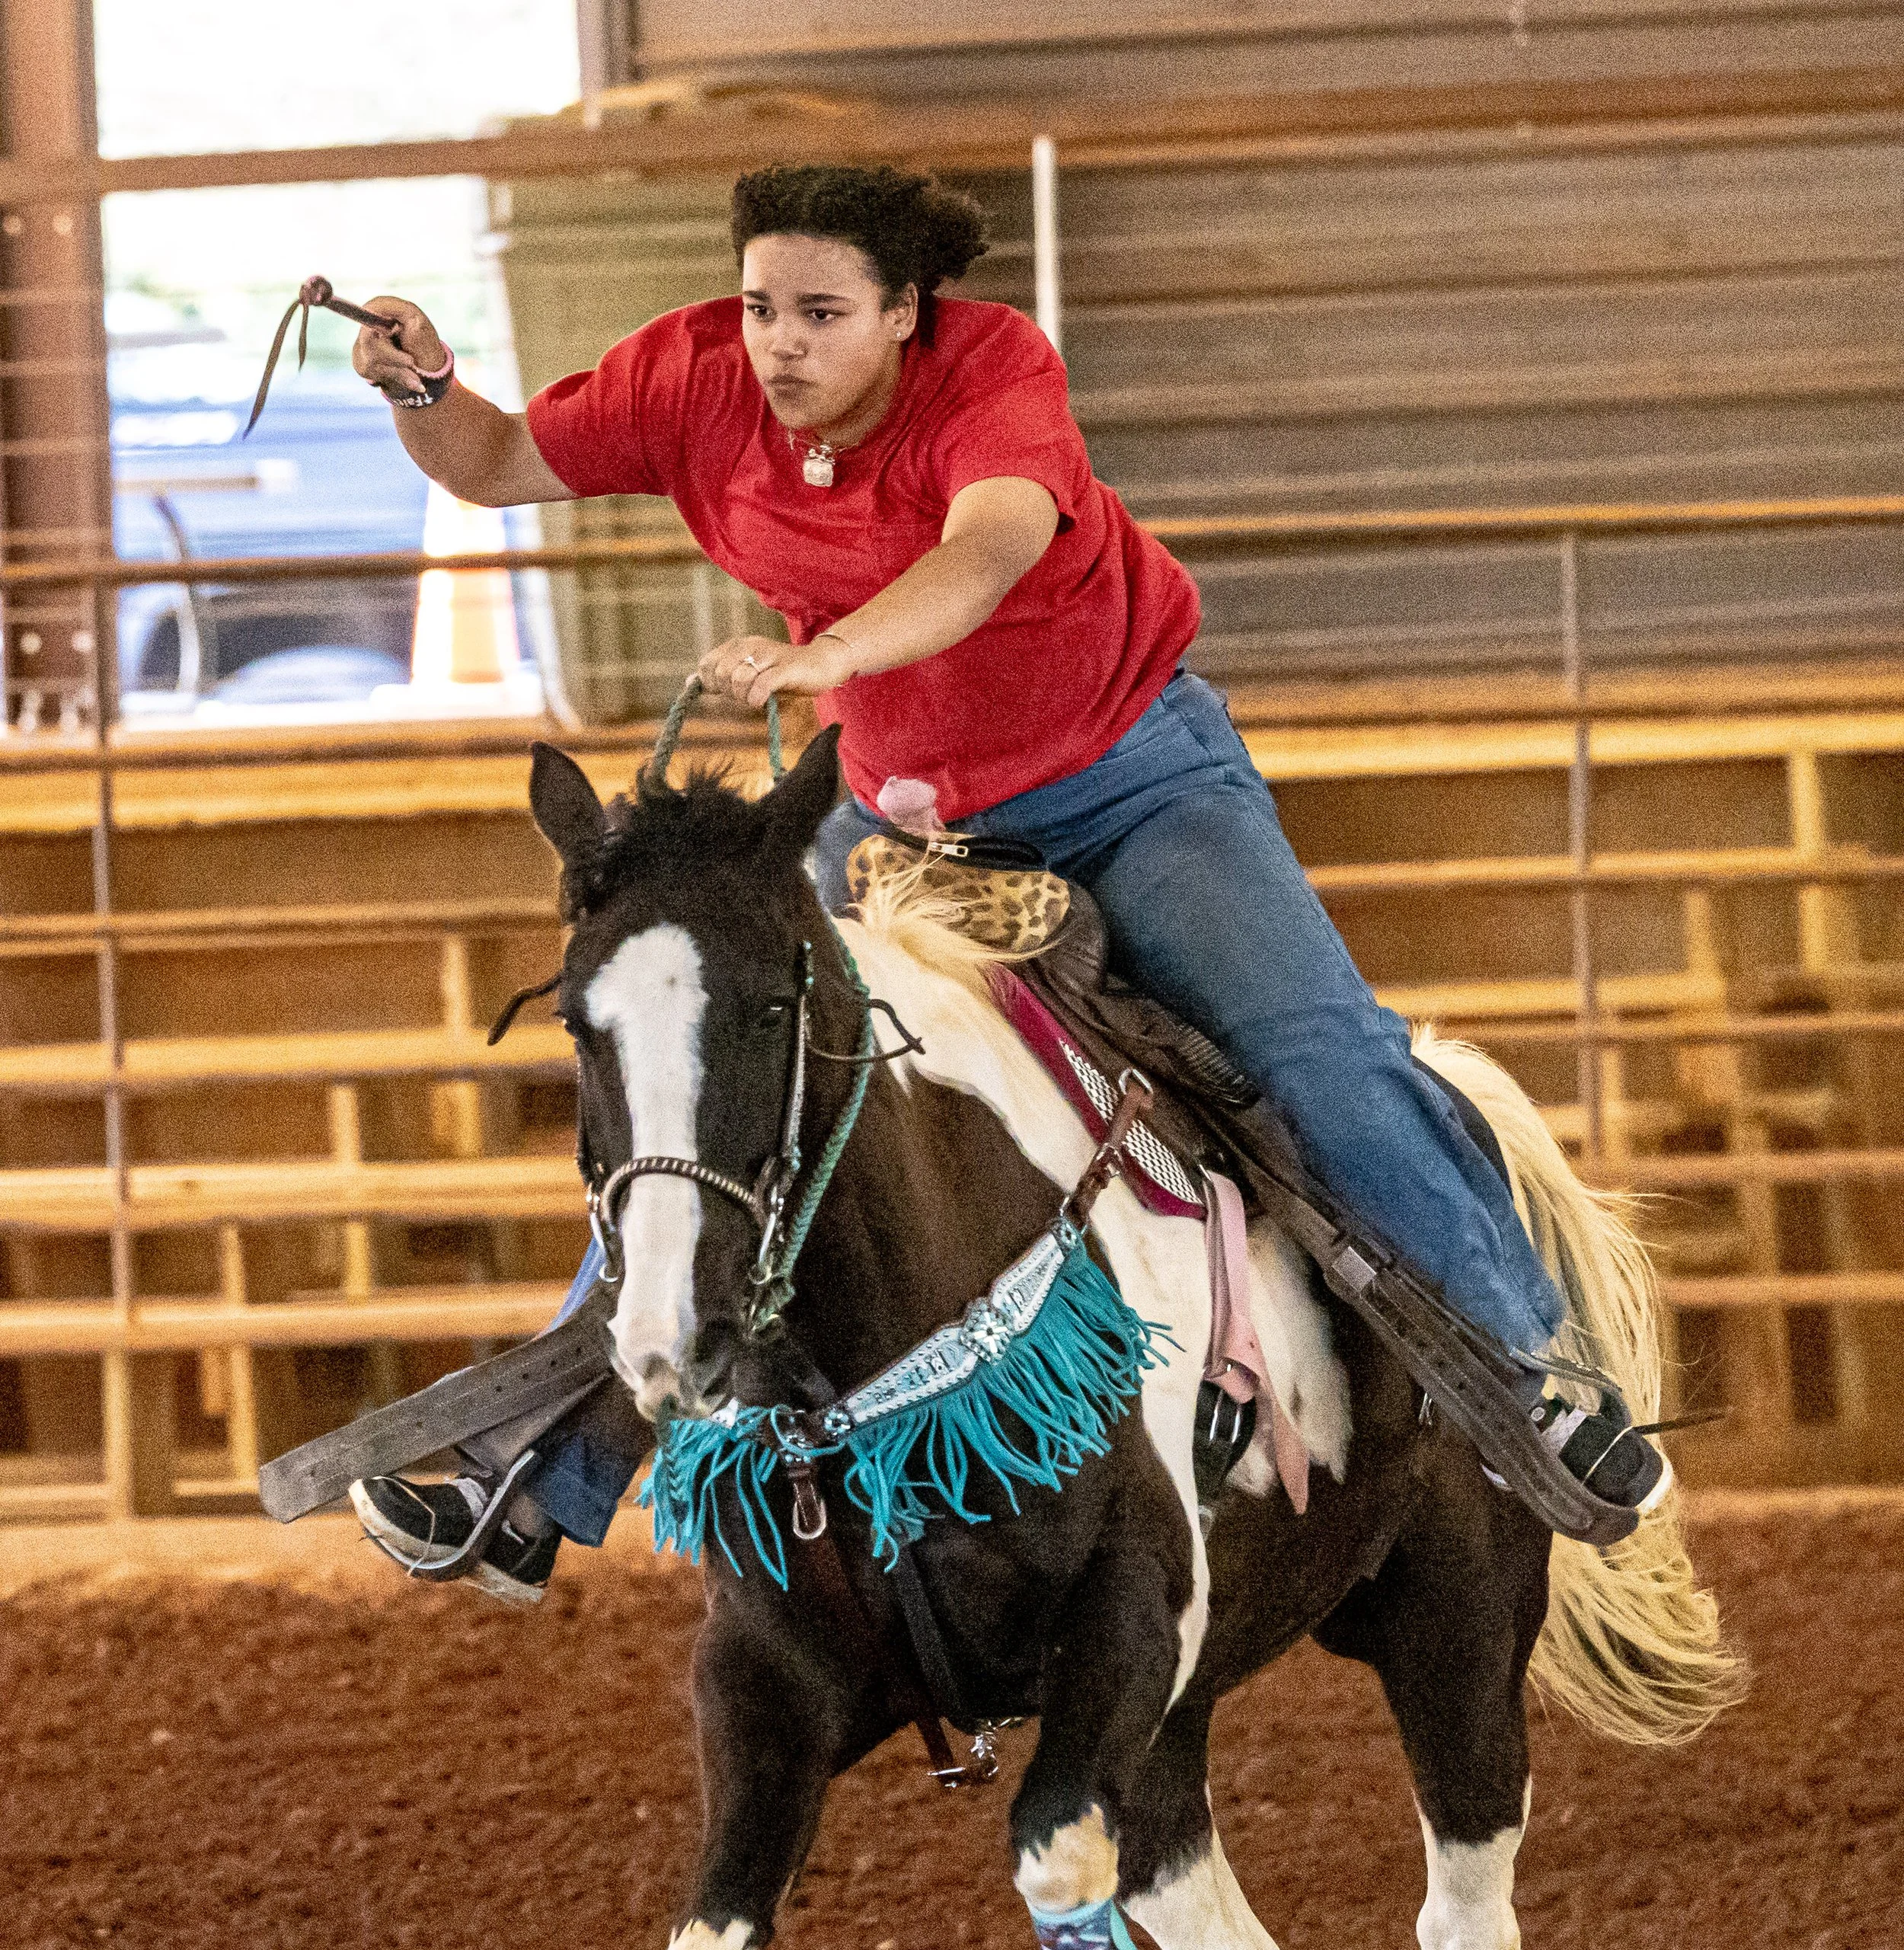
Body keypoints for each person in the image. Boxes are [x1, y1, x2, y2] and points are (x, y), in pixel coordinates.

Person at [344, 161, 1669, 1603]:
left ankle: (1541, 1383)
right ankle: (542, 1480)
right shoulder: (693, 377)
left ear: (908, 313)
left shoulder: (996, 375)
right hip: (898, 809)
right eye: (759, 306)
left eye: (821, 312)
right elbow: (495, 463)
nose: (778, 342)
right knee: (730, 1082)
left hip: (1129, 785)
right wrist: (424, 388)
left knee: (1316, 1055)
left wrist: (830, 654)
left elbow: (984, 552)